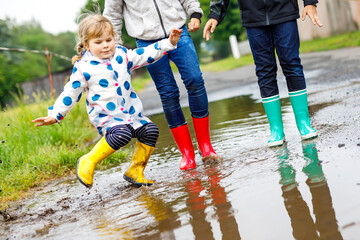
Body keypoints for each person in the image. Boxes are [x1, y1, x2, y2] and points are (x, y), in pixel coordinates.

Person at [32, 14, 182, 188]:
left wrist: (168, 43)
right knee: (122, 134)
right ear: (86, 45)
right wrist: (55, 114)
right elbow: (70, 93)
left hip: (131, 114)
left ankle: (135, 170)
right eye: (98, 42)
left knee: (150, 131)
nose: (105, 45)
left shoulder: (122, 55)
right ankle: (88, 160)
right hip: (107, 118)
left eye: (108, 40)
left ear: (114, 39)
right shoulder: (83, 67)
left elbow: (146, 54)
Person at [103, 0, 222, 171]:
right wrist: (116, 50)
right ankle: (187, 154)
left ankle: (206, 148)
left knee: (195, 80)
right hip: (147, 41)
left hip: (179, 31)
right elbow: (112, 15)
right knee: (168, 93)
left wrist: (195, 13)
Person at [203, 0, 322, 147]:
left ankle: (304, 123)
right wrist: (215, 14)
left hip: (284, 9)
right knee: (264, 71)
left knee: (292, 64)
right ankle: (276, 129)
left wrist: (310, 2)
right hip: (253, 16)